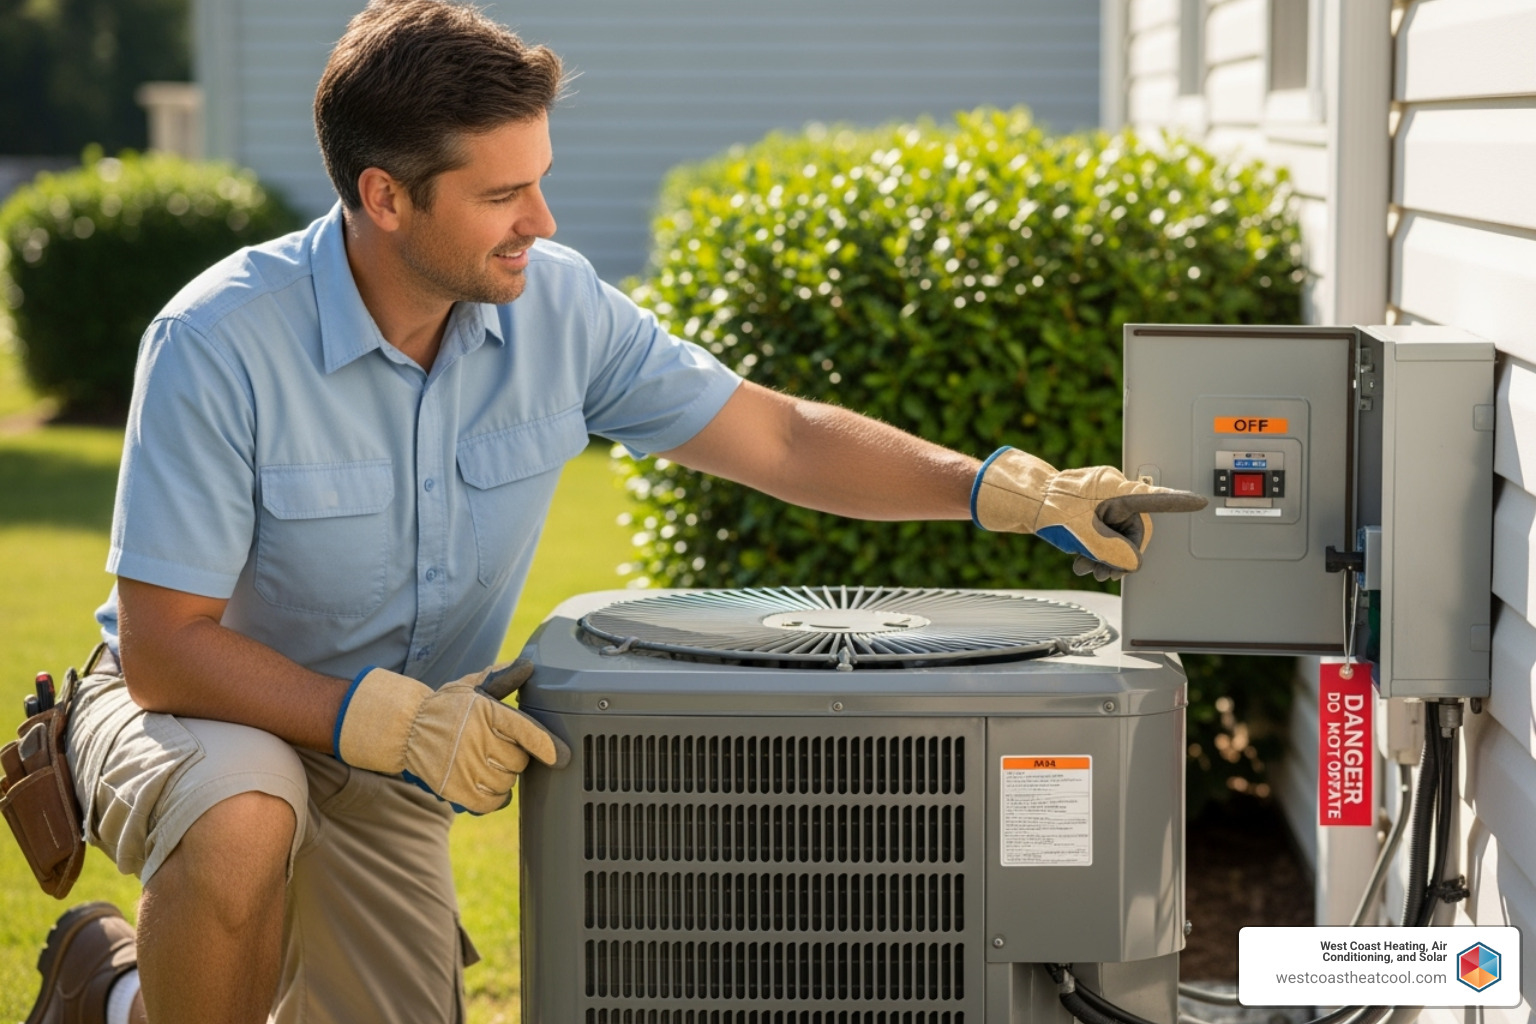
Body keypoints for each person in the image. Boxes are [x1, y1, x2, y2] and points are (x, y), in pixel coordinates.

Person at [21, 2, 1203, 1022]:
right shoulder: (219, 341)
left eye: (539, 179)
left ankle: (106, 990)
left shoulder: (558, 308)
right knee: (245, 813)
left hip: (392, 757)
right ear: (384, 196)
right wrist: (386, 720)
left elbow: (779, 435)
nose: (540, 219)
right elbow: (169, 647)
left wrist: (1000, 489)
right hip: (203, 709)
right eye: (502, 193)